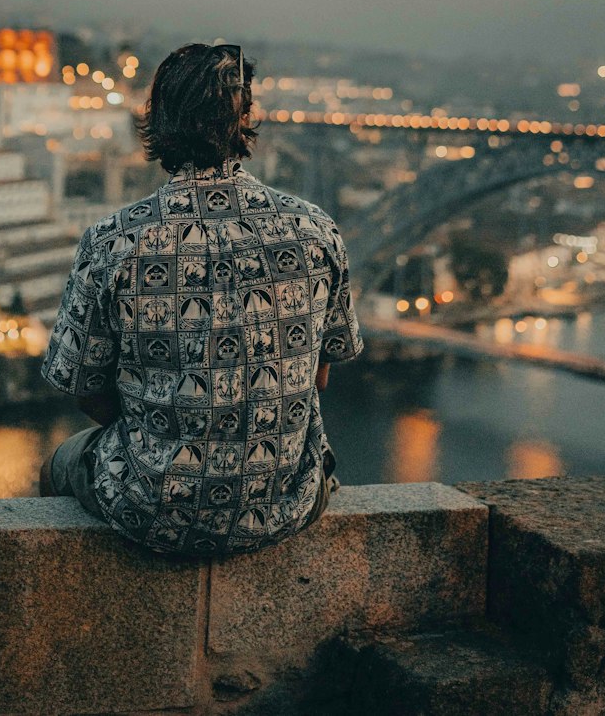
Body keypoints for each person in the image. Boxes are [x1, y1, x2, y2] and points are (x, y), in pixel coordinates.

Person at [39, 42, 362, 556]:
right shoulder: (316, 230)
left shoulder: (115, 241)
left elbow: (83, 388)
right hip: (287, 502)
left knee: (59, 462)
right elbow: (320, 375)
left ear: (156, 121)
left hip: (151, 508)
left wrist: (173, 432)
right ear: (246, 118)